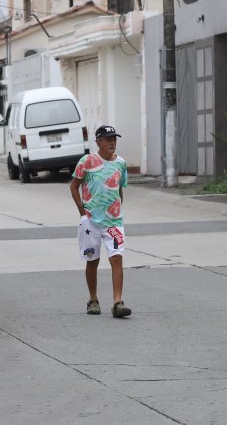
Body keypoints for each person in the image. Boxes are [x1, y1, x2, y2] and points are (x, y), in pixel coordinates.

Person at [69, 125, 131, 319]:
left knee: (117, 258)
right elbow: (74, 186)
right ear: (98, 142)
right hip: (91, 222)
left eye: (114, 139)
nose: (112, 142)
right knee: (92, 260)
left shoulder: (120, 163)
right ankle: (93, 299)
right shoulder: (87, 161)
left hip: (114, 222)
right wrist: (82, 212)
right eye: (108, 139)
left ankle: (118, 302)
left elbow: (120, 189)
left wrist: (117, 209)